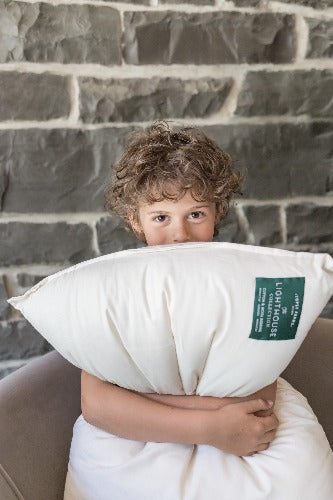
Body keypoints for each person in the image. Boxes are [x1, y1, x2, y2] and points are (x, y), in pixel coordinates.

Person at [80, 121, 279, 458]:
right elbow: (96, 403)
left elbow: (260, 395)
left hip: (239, 434)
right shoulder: (115, 291)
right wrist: (211, 427)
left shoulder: (242, 282)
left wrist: (137, 401)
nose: (180, 234)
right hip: (151, 443)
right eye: (161, 217)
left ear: (217, 212)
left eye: (195, 214)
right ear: (134, 219)